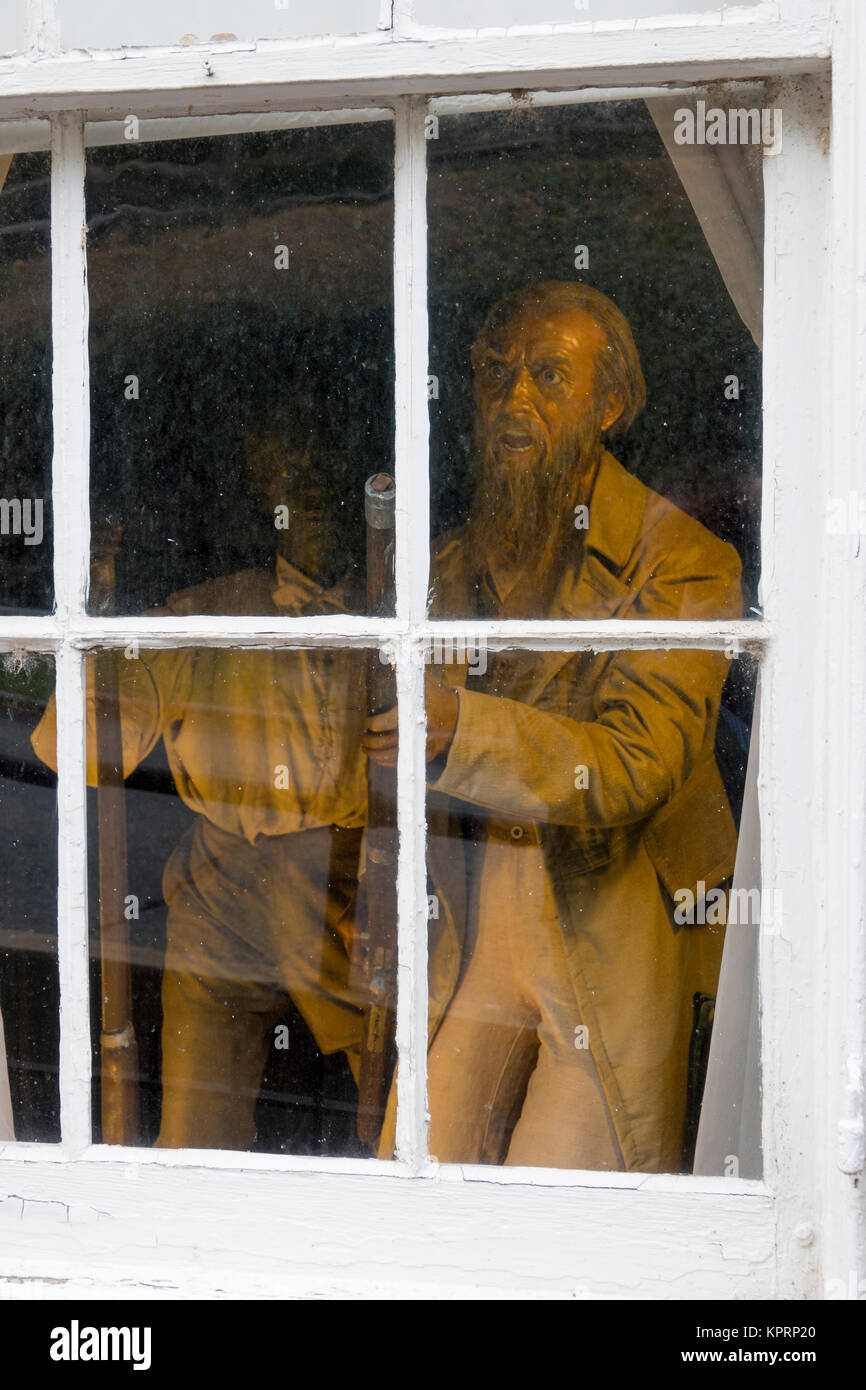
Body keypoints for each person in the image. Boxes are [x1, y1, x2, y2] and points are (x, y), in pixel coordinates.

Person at [366, 281, 743, 1173]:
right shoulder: (447, 565)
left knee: (560, 1216)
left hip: (609, 933)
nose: (514, 399)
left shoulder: (684, 560)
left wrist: (463, 730)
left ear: (609, 404)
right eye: (496, 375)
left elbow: (631, 764)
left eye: (547, 376)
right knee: (406, 1181)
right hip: (472, 937)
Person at [32, 412, 370, 1151]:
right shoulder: (207, 614)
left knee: (407, 1112)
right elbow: (81, 744)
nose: (308, 477)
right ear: (260, 481)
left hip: (354, 889)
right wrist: (89, 619)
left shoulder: (401, 606)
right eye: (286, 461)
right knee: (194, 1136)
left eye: (325, 452)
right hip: (224, 896)